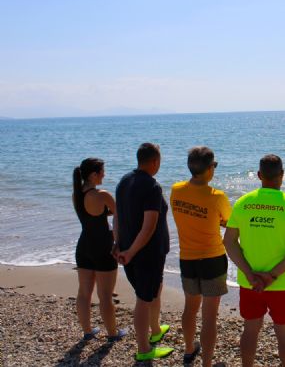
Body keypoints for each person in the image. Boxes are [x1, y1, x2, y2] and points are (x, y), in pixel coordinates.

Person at [223, 154, 285, 367]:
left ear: (259, 175)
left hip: (250, 282)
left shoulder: (244, 203)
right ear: (282, 175)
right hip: (283, 283)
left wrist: (249, 273)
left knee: (250, 330)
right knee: (284, 336)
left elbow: (229, 242)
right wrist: (272, 275)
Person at [170, 146, 232, 366]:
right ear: (208, 169)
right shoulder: (217, 196)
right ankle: (206, 362)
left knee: (190, 307)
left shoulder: (176, 190)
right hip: (212, 259)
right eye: (214, 165)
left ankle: (189, 349)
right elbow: (229, 221)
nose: (214, 169)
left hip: (187, 259)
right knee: (209, 316)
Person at [115, 143, 174, 361]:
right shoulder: (152, 186)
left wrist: (118, 244)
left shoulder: (124, 181)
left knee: (154, 290)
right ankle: (144, 349)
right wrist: (130, 251)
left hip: (131, 249)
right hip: (145, 254)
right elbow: (149, 227)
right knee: (143, 299)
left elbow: (117, 216)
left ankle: (156, 329)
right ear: (154, 162)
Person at [72, 158, 126, 342]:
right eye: (102, 171)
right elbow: (119, 217)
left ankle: (87, 332)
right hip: (103, 248)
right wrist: (118, 243)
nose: (104, 174)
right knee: (105, 295)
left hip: (84, 246)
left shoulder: (76, 194)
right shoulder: (102, 195)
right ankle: (112, 334)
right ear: (94, 174)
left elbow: (90, 216)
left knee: (84, 292)